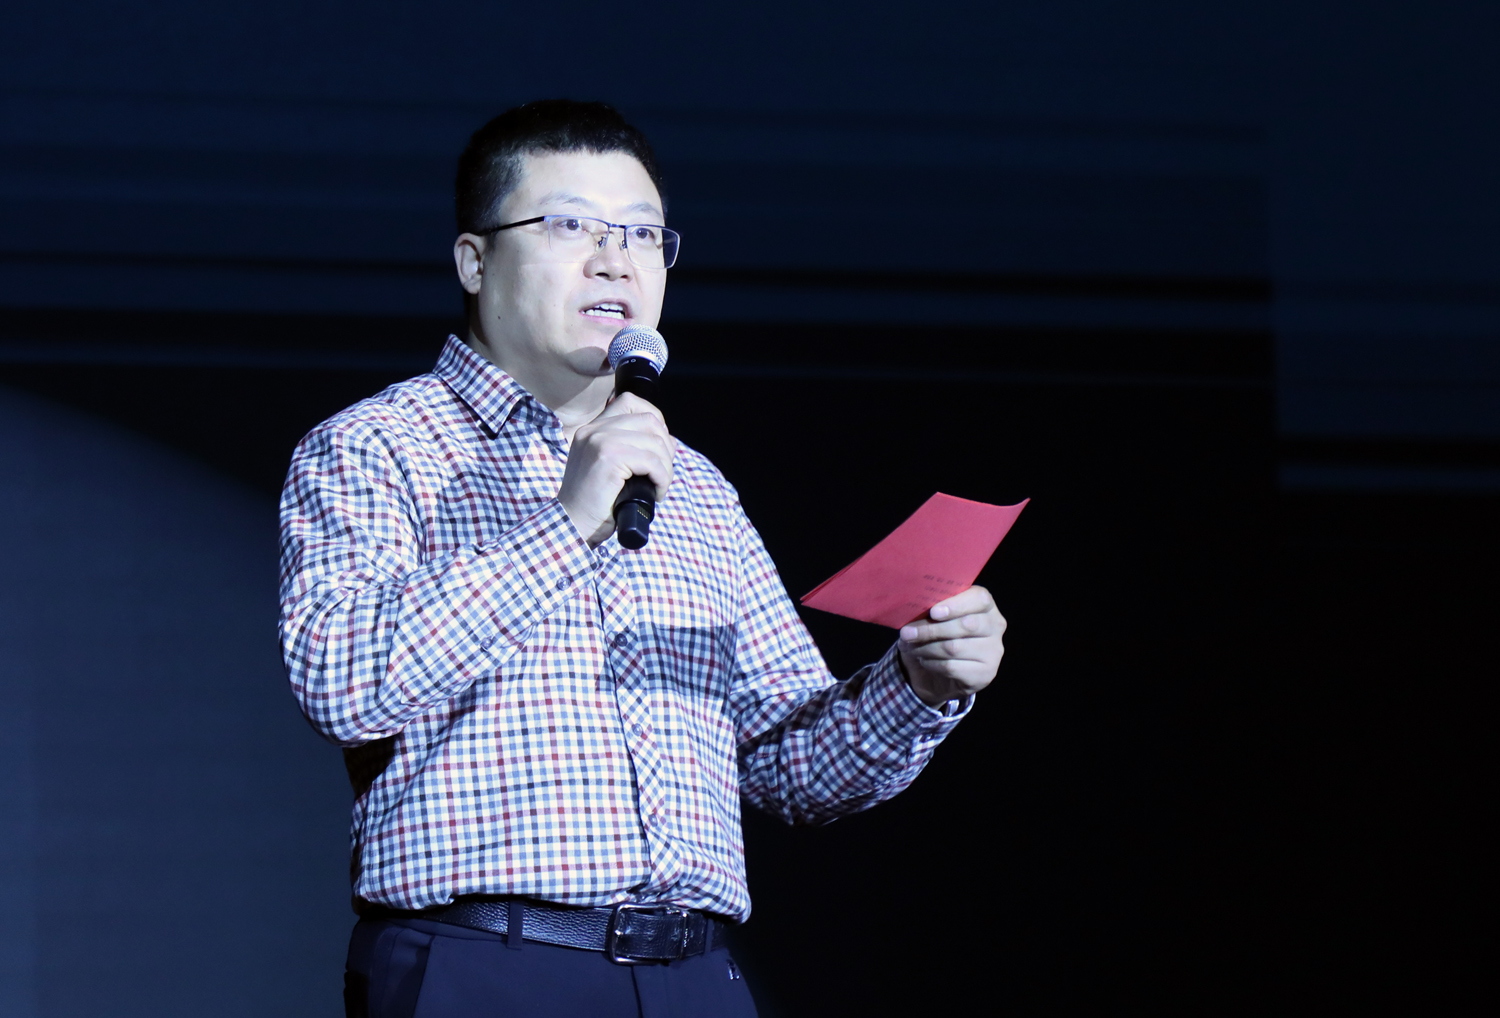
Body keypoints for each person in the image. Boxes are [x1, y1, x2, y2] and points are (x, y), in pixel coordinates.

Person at [278, 99, 1007, 1018]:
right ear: (474, 261)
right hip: (489, 968)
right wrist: (565, 524)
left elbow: (791, 768)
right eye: (569, 225)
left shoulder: (694, 487)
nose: (615, 260)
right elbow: (341, 681)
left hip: (693, 977)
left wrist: (920, 685)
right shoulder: (377, 447)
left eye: (642, 234)